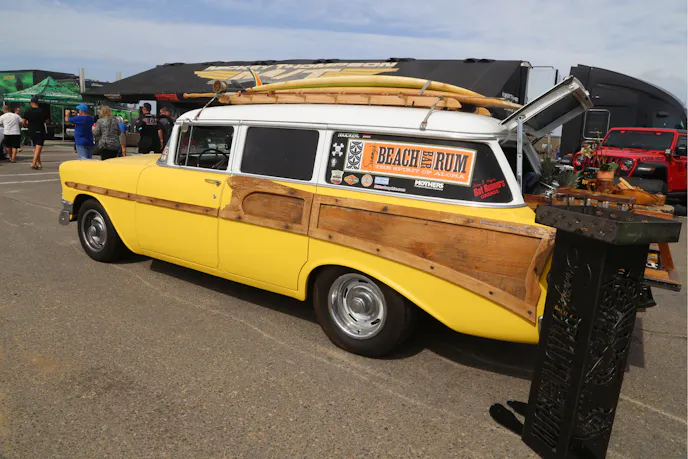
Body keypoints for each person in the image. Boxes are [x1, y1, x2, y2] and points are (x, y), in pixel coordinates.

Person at [23, 97, 50, 169]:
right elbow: (47, 121)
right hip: (40, 129)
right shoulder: (42, 111)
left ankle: (39, 163)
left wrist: (26, 125)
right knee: (39, 146)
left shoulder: (28, 110)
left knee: (36, 147)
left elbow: (23, 121)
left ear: (31, 103)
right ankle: (33, 162)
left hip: (31, 130)